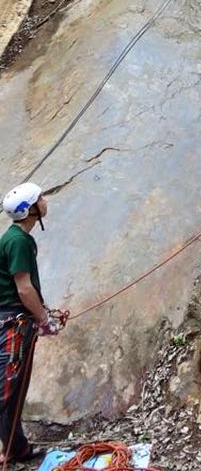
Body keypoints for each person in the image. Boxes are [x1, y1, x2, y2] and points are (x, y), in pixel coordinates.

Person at [0, 182, 60, 463]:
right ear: (30, 209)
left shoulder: (17, 237)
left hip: (15, 319)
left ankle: (16, 448)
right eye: (40, 198)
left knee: (13, 390)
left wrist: (43, 311)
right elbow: (23, 288)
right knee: (7, 389)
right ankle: (12, 449)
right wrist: (44, 320)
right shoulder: (18, 241)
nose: (45, 201)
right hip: (13, 324)